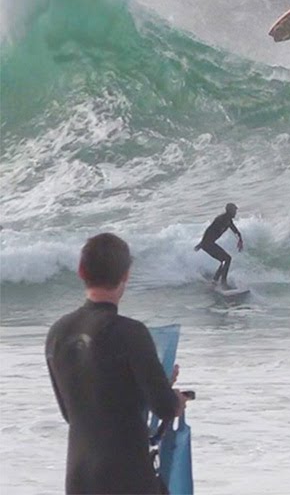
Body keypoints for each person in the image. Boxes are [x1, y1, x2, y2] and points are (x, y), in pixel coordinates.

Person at [47, 233, 188, 494]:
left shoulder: (57, 333)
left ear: (81, 271)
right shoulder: (131, 333)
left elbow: (74, 410)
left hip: (80, 478)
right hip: (128, 477)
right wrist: (173, 398)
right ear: (126, 275)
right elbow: (165, 407)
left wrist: (153, 387)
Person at [194, 203, 242, 288]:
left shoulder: (228, 220)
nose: (235, 212)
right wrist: (201, 243)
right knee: (226, 259)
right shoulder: (220, 219)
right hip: (207, 243)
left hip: (210, 243)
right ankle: (222, 282)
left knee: (225, 259)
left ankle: (216, 281)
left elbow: (236, 231)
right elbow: (209, 230)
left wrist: (240, 240)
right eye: (234, 211)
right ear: (230, 211)